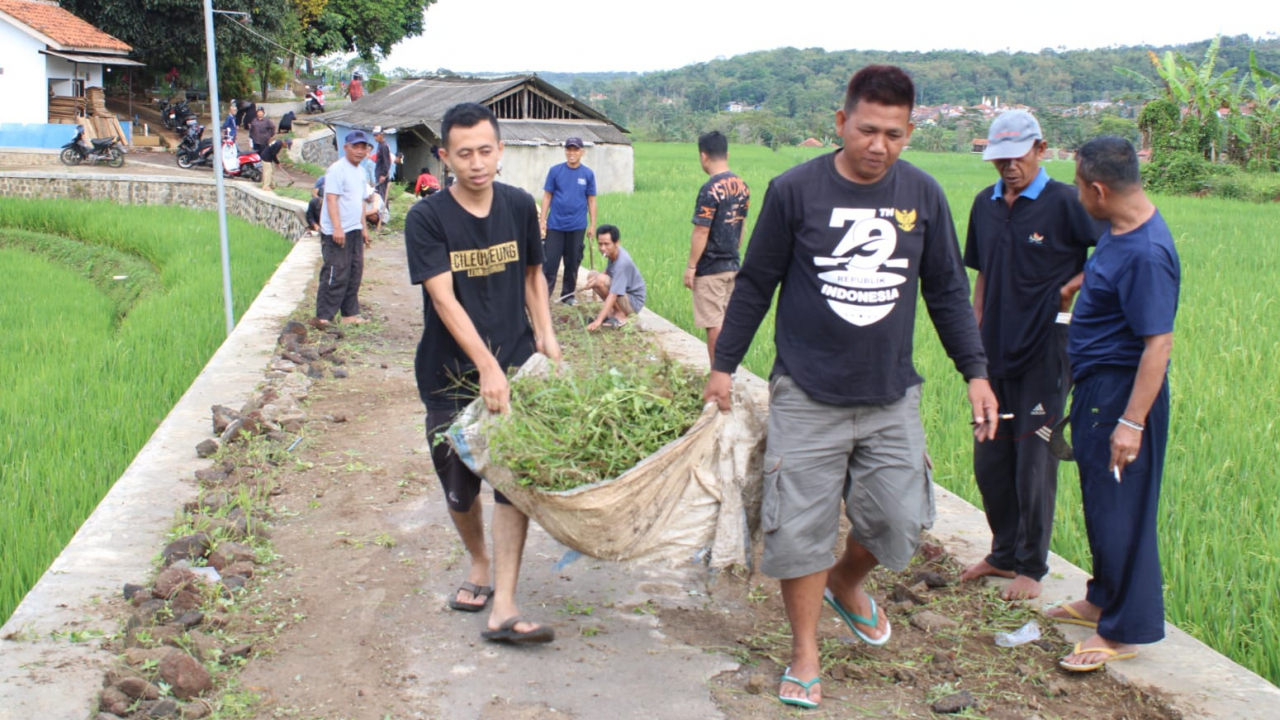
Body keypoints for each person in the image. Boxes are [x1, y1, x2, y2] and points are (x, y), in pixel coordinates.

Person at [703, 65, 998, 710]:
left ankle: (847, 581)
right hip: (807, 393)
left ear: (909, 131)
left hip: (891, 393)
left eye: (894, 134)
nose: (879, 145)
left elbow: (947, 291)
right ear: (841, 123)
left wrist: (976, 372)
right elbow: (755, 284)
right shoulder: (795, 191)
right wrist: (724, 364)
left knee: (900, 518)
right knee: (799, 528)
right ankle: (805, 652)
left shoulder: (922, 195)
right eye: (867, 130)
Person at [404, 101, 561, 644]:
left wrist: (546, 336)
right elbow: (444, 301)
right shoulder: (426, 218)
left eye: (486, 151)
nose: (476, 163)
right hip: (448, 371)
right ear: (445, 157)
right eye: (464, 153)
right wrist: (486, 366)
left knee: (512, 481)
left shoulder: (518, 206)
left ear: (500, 151)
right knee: (459, 487)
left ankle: (507, 605)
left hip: (515, 362)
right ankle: (478, 561)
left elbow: (535, 275)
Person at [1048, 136, 1179, 673]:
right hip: (1100, 389)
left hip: (1123, 395)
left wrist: (1132, 422)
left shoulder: (1147, 252)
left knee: (1124, 508)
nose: (1078, 197)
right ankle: (1101, 596)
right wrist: (1084, 284)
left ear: (1099, 190)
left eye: (1080, 187)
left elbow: (1158, 344)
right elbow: (1112, 271)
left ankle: (1124, 629)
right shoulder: (1122, 231)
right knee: (1102, 500)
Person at [959, 110, 1099, 601]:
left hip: (1045, 350)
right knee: (990, 457)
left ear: (1040, 149)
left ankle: (1031, 567)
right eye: (999, 160)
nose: (1008, 168)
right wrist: (972, 344)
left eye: (1017, 158)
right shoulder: (986, 204)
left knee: (1032, 459)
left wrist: (1068, 293)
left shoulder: (1065, 202)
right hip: (992, 353)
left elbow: (1112, 249)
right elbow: (981, 276)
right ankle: (1002, 553)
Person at [685, 130, 750, 363]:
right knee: (727, 321)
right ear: (727, 154)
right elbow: (741, 227)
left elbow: (702, 229)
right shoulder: (743, 186)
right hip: (733, 264)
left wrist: (691, 266)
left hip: (711, 267)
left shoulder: (710, 188)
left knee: (714, 324)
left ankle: (718, 374)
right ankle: (728, 371)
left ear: (703, 156)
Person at [313, 130, 376, 327]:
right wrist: (337, 228)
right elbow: (331, 200)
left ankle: (350, 314)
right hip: (336, 231)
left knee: (354, 271)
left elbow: (359, 202)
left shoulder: (360, 171)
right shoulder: (337, 170)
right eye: (355, 147)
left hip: (354, 229)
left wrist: (363, 228)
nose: (359, 151)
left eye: (362, 147)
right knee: (335, 272)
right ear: (345, 147)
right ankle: (324, 316)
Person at [538, 137, 597, 305]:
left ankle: (568, 296)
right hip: (556, 225)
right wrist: (543, 220)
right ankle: (544, 296)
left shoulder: (587, 174)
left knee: (572, 263)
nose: (572, 153)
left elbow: (591, 200)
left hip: (577, 225)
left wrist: (592, 224)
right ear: (565, 151)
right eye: (569, 150)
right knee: (550, 262)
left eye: (575, 150)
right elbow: (547, 196)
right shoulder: (555, 171)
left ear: (582, 152)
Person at [585, 224, 646, 330]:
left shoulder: (622, 263)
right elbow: (608, 271)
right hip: (623, 295)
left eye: (606, 244)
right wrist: (592, 282)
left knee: (600, 280)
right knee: (593, 275)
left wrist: (598, 321)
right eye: (600, 244)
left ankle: (621, 315)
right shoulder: (612, 253)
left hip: (633, 302)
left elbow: (613, 295)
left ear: (616, 243)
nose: (603, 248)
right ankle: (612, 312)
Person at [373, 126, 392, 203]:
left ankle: (385, 213)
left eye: (377, 135)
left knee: (382, 195)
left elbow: (386, 161)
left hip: (382, 176)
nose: (375, 137)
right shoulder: (380, 145)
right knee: (378, 195)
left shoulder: (384, 146)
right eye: (374, 135)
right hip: (378, 174)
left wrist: (383, 175)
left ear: (381, 135)